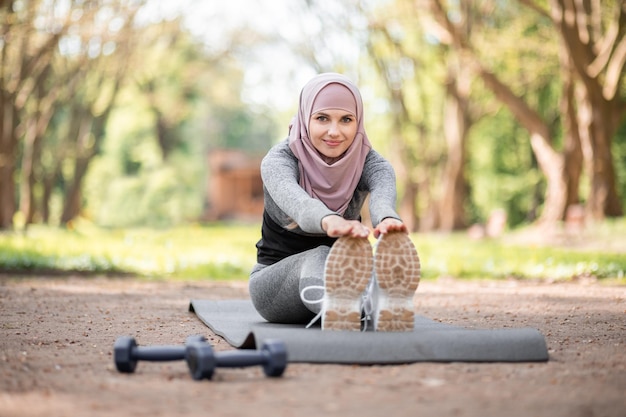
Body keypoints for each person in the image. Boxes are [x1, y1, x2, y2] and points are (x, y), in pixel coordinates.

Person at [249, 73, 420, 332]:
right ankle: (346, 306)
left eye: (346, 120)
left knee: (363, 265)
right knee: (321, 255)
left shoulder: (369, 162)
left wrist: (387, 219)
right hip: (273, 289)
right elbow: (299, 204)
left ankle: (376, 303)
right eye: (322, 118)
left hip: (346, 279)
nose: (334, 131)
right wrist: (330, 220)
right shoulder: (278, 162)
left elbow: (383, 190)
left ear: (358, 121)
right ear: (305, 118)